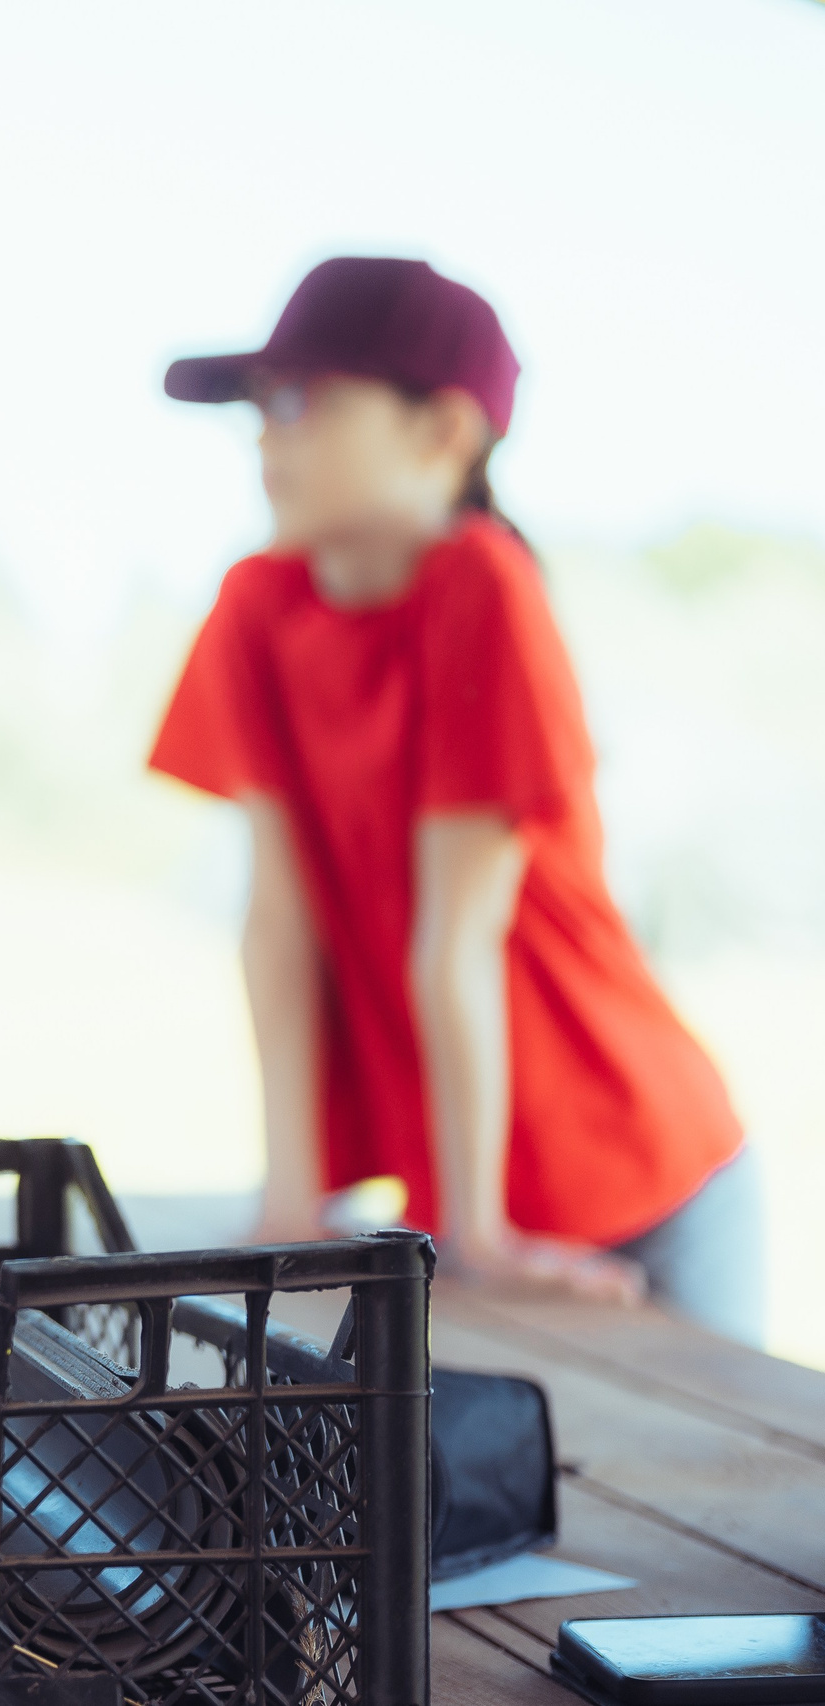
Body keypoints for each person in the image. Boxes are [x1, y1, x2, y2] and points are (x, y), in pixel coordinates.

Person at [149, 257, 758, 1341]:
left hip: (633, 1173)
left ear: (443, 433)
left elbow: (455, 938)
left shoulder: (482, 583)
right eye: (258, 404)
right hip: (457, 1218)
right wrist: (291, 1198)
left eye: (302, 400)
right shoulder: (254, 606)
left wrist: (478, 1231)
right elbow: (277, 920)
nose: (263, 435)